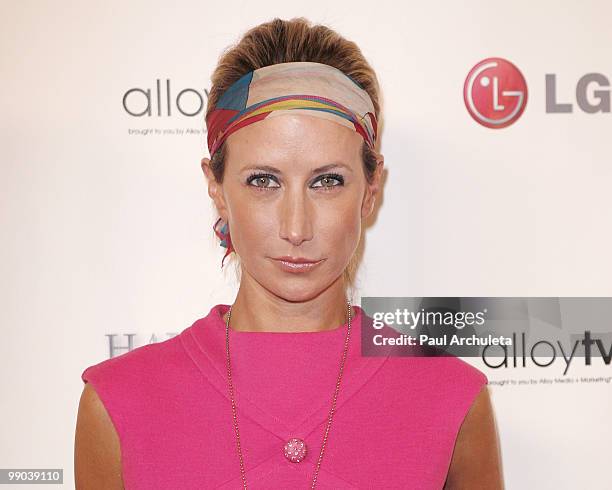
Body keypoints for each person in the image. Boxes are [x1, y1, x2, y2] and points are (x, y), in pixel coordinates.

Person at [74, 17, 503, 489]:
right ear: (216, 187)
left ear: (370, 191)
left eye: (327, 181)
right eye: (264, 181)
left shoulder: (451, 399)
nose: (295, 228)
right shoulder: (119, 404)